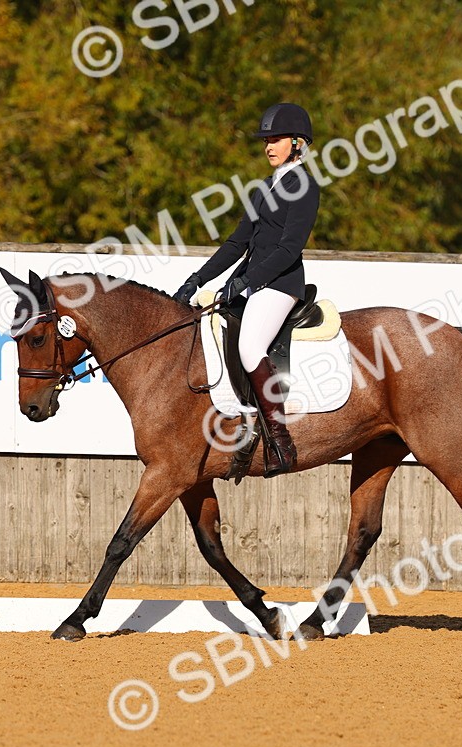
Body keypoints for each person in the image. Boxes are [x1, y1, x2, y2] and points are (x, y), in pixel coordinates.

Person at [174, 102, 320, 476]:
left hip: (281, 284)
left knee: (250, 345)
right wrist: (198, 279)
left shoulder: (304, 186)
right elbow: (237, 243)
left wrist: (247, 281)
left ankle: (280, 441)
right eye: (266, 140)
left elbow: (290, 248)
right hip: (253, 283)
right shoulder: (263, 188)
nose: (268, 146)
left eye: (276, 139)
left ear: (298, 143)